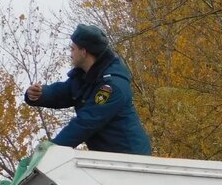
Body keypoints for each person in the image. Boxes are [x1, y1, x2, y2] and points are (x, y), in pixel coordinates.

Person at [24, 24, 151, 155]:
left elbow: (87, 122)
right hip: (111, 159)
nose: (70, 54)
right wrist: (39, 94)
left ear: (84, 52)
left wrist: (52, 150)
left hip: (131, 159)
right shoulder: (85, 78)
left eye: (72, 49)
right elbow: (61, 92)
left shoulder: (111, 87)